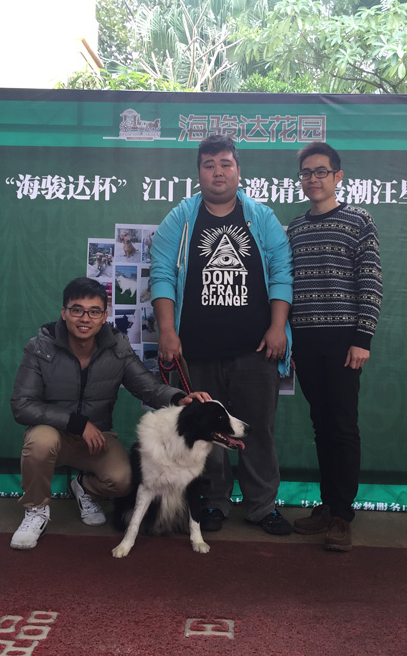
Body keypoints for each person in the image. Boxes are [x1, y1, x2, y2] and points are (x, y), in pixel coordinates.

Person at [150, 133, 294, 536]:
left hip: (256, 350)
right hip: (196, 350)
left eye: (225, 164)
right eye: (209, 164)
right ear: (198, 173)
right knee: (205, 432)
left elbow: (282, 273)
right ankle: (212, 502)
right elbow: (161, 273)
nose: (218, 172)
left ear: (238, 171)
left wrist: (277, 327)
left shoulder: (261, 217)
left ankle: (262, 506)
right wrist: (167, 330)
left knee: (257, 430)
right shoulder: (180, 219)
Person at [9, 277, 209, 550]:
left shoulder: (117, 348)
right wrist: (78, 423)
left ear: (104, 316)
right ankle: (36, 511)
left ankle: (84, 488)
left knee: (124, 481)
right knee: (39, 442)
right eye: (77, 310)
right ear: (64, 312)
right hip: (54, 433)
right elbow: (22, 405)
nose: (85, 318)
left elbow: (148, 388)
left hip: (97, 438)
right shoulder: (39, 347)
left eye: (94, 311)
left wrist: (179, 398)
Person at [287, 142, 382, 551]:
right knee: (321, 425)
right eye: (306, 172)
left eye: (321, 171)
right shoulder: (294, 228)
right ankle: (327, 506)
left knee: (343, 427)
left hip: (345, 342)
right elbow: (286, 286)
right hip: (305, 342)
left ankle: (342, 515)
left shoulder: (359, 220)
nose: (313, 179)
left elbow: (370, 281)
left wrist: (362, 338)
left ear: (337, 176)